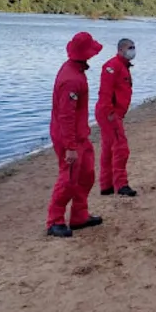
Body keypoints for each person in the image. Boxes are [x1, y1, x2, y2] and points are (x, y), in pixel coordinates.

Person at [46, 31, 104, 238]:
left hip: (79, 134)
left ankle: (80, 215)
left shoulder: (76, 70)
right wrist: (70, 146)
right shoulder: (71, 79)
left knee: (87, 175)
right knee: (68, 179)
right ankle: (55, 221)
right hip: (68, 136)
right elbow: (66, 116)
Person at [96, 38, 137, 197]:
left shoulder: (123, 66)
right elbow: (105, 92)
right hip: (109, 113)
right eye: (129, 48)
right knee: (121, 148)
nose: (132, 50)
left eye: (133, 47)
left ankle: (106, 186)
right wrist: (111, 113)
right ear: (120, 50)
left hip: (114, 112)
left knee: (108, 148)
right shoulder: (112, 66)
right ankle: (121, 184)